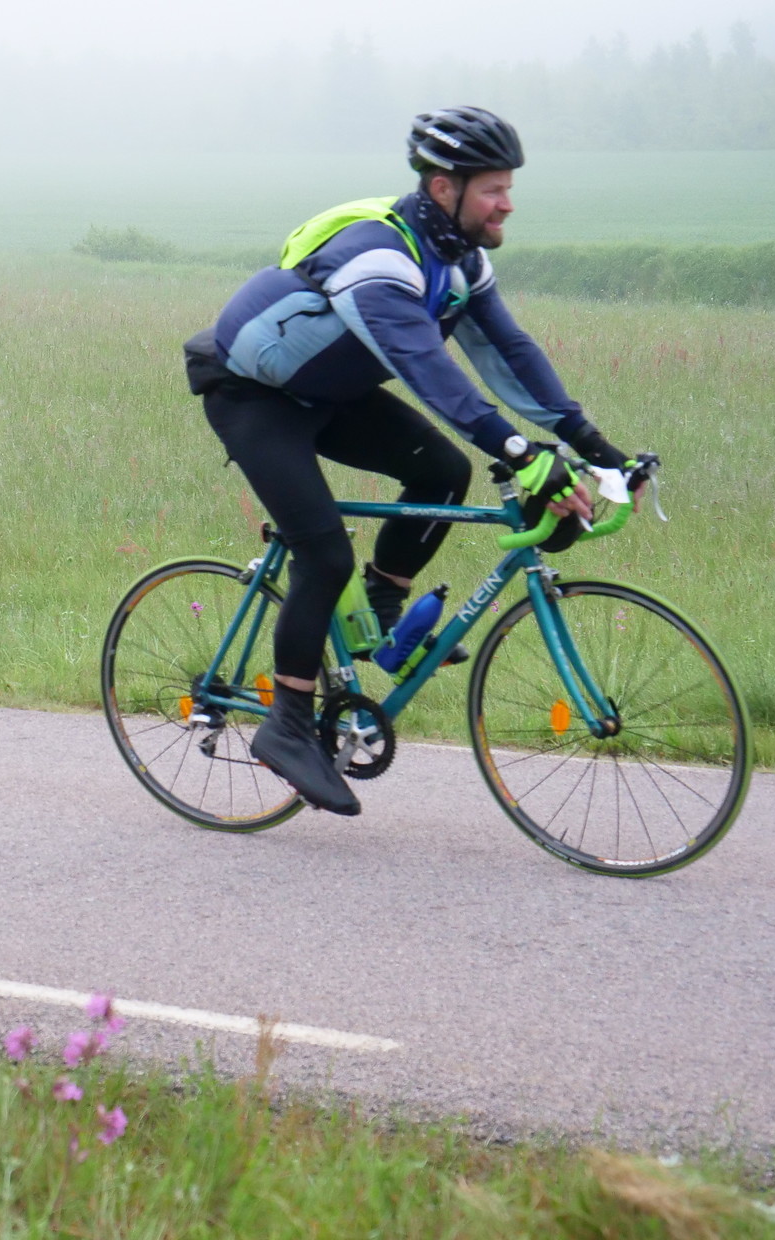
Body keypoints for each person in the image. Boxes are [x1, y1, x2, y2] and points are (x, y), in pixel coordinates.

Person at [182, 106, 642, 817]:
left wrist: (594, 446)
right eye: (493, 189)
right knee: (324, 555)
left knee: (444, 473)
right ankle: (288, 724)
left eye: (509, 187)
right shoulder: (377, 261)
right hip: (253, 397)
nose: (507, 203)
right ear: (442, 188)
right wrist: (522, 455)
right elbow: (430, 370)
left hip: (328, 394)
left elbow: (510, 354)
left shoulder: (460, 263)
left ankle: (384, 613)